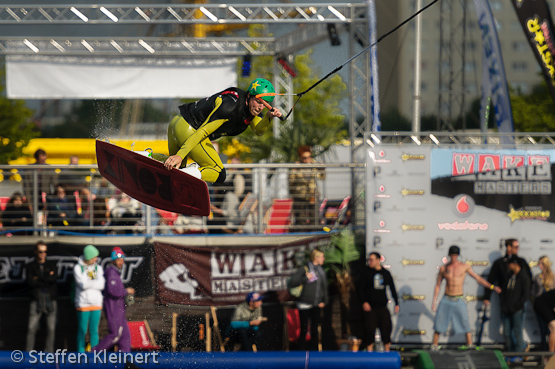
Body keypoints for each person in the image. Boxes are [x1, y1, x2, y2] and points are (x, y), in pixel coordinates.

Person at [161, 78, 282, 183]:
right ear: (249, 95)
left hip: (176, 122)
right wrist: (180, 155)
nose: (260, 107)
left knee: (171, 167)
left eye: (265, 104)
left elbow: (259, 131)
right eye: (258, 101)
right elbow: (203, 132)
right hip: (189, 129)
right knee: (218, 172)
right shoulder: (230, 105)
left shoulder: (254, 111)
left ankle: (147, 156)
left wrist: (268, 117)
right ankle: (182, 175)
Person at [431, 245, 501, 350]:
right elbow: (438, 285)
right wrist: (434, 301)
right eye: (452, 255)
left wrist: (492, 286)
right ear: (449, 255)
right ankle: (434, 345)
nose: (454, 258)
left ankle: (469, 344)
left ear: (458, 255)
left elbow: (477, 278)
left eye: (455, 255)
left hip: (458, 298)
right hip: (447, 298)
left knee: (464, 322)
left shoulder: (464, 266)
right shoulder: (443, 268)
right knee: (439, 323)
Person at [93, 247, 135, 353]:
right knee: (115, 334)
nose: (122, 262)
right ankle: (94, 353)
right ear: (114, 260)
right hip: (113, 308)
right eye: (120, 260)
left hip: (119, 309)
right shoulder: (111, 273)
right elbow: (113, 291)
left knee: (125, 336)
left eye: (122, 259)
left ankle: (124, 360)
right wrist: (126, 291)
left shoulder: (115, 272)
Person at [287, 249, 328, 350]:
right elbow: (293, 282)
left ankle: (313, 351)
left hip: (316, 303)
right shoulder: (305, 268)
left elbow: (324, 287)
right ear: (316, 257)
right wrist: (305, 278)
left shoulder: (321, 270)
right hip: (305, 303)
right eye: (322, 257)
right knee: (304, 329)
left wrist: (324, 301)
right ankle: (302, 350)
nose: (324, 259)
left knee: (314, 329)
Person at [358, 252, 400, 352]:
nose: (370, 262)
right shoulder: (365, 273)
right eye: (369, 260)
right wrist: (364, 302)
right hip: (370, 308)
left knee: (386, 328)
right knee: (369, 330)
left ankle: (387, 352)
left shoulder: (385, 273)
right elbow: (360, 289)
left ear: (378, 260)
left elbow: (392, 288)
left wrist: (396, 302)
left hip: (382, 307)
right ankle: (369, 352)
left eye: (372, 260)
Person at [25, 241, 58, 352]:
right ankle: (29, 354)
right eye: (40, 252)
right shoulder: (30, 266)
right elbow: (30, 282)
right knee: (31, 328)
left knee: (51, 328)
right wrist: (46, 277)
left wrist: (38, 278)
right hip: (36, 299)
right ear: (36, 252)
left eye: (45, 252)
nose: (43, 254)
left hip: (50, 299)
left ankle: (49, 353)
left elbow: (54, 279)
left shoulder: (51, 265)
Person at [73, 245, 105, 352]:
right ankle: (80, 354)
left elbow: (101, 285)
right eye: (94, 257)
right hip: (83, 304)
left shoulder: (98, 268)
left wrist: (89, 283)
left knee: (94, 330)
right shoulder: (78, 268)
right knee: (82, 330)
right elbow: (82, 285)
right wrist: (93, 283)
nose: (96, 259)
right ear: (88, 257)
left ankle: (95, 354)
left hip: (96, 303)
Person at [484, 238, 531, 307]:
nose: (518, 249)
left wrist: (525, 297)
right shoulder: (500, 263)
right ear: (508, 247)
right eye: (516, 247)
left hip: (519, 303)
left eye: (518, 247)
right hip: (504, 302)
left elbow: (529, 279)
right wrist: (486, 297)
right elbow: (491, 280)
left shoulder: (521, 262)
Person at [288, 146, 326, 231]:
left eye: (309, 157)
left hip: (312, 194)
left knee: (314, 217)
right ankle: (301, 237)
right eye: (304, 158)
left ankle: (314, 237)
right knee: (301, 219)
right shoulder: (297, 166)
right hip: (300, 195)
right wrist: (293, 170)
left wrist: (322, 169)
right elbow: (291, 181)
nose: (307, 160)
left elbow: (322, 177)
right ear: (300, 157)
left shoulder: (314, 164)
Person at [499, 255, 531, 353]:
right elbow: (504, 292)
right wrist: (503, 305)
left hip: (517, 310)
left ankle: (520, 352)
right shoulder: (510, 276)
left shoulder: (524, 277)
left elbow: (526, 295)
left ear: (515, 264)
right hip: (506, 309)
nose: (508, 266)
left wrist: (516, 306)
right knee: (507, 332)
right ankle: (510, 352)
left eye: (509, 264)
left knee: (517, 332)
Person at [532, 256, 555, 350]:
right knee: (544, 328)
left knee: (551, 329)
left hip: (550, 304)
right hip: (541, 303)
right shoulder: (537, 277)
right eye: (539, 263)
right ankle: (545, 352)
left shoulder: (552, 276)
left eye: (541, 263)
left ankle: (550, 353)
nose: (539, 265)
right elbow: (535, 293)